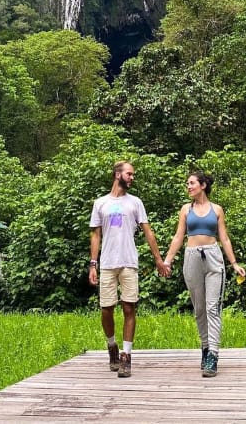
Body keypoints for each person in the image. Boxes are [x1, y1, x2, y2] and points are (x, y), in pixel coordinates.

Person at [89, 160, 169, 378]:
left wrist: (158, 260)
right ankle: (112, 346)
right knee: (106, 308)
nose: (132, 178)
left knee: (129, 308)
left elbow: (147, 231)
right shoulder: (100, 203)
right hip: (107, 263)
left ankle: (126, 356)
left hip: (129, 262)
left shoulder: (135, 203)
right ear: (117, 175)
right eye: (129, 174)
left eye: (133, 174)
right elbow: (95, 234)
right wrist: (92, 264)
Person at [162, 171, 246, 377]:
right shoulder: (185, 209)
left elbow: (224, 238)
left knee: (212, 307)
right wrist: (167, 261)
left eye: (191, 183)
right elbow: (178, 236)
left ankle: (214, 355)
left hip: (213, 257)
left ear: (203, 185)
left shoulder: (216, 209)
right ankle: (205, 347)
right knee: (199, 308)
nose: (188, 187)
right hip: (191, 257)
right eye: (187, 184)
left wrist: (234, 263)